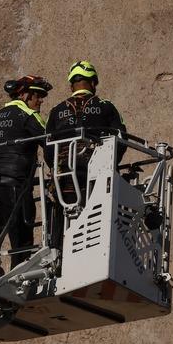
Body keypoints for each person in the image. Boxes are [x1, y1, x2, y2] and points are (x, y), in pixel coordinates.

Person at [45, 61, 126, 246]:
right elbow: (120, 139)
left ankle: (60, 255)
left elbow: (48, 148)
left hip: (64, 180)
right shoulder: (106, 106)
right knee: (98, 223)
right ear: (93, 83)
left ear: (71, 84)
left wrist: (56, 167)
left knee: (63, 221)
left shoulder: (56, 111)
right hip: (96, 177)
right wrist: (110, 165)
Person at [0, 75, 51, 267]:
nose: (41, 100)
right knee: (21, 237)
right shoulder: (28, 115)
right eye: (38, 95)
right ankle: (19, 278)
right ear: (25, 95)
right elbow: (50, 146)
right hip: (14, 185)